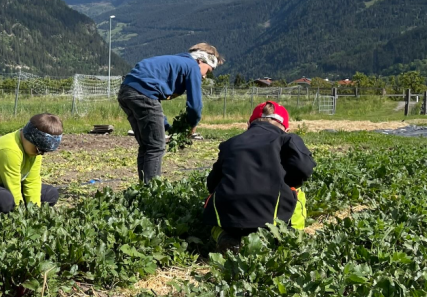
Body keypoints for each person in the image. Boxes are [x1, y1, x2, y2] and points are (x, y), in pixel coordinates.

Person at [203, 101, 315, 250]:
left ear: (249, 124)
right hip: (269, 216)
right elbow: (304, 169)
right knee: (297, 192)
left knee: (213, 210)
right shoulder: (287, 139)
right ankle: (291, 237)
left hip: (230, 215)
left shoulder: (230, 143)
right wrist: (285, 181)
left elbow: (212, 184)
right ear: (285, 128)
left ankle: (224, 236)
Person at [117, 43, 224, 182]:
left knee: (147, 145)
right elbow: (194, 106)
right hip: (143, 93)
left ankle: (142, 190)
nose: (204, 76)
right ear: (201, 61)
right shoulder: (192, 66)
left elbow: (153, 103)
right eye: (208, 71)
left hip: (127, 91)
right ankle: (151, 194)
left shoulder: (177, 61)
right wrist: (192, 124)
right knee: (156, 147)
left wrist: (168, 127)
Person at [0, 113, 63, 223]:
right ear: (29, 137)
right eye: (39, 150)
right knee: (4, 199)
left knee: (50, 193)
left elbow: (32, 182)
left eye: (44, 151)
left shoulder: (35, 151)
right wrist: (21, 217)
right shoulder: (10, 149)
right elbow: (13, 186)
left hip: (5, 187)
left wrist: (34, 214)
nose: (41, 154)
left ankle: (9, 220)